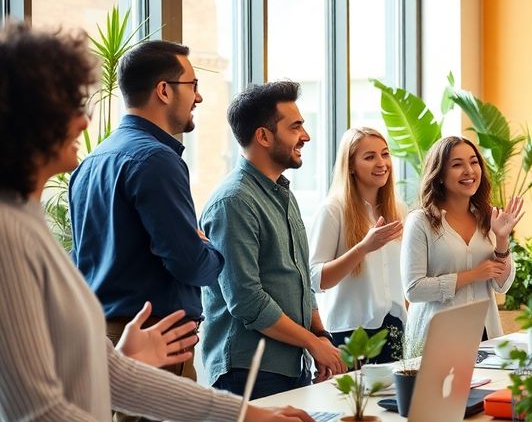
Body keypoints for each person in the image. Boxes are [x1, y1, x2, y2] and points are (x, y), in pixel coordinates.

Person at [0, 22, 312, 421]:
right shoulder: (11, 233)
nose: (83, 122)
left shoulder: (43, 208)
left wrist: (249, 415)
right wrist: (208, 248)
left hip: (140, 345)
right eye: (70, 106)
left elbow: (113, 376)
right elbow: (39, 411)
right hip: (160, 336)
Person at [68, 39, 223, 409]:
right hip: (156, 342)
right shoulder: (156, 159)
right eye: (194, 86)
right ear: (164, 90)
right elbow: (190, 263)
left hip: (106, 339)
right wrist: (212, 250)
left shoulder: (91, 161)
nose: (198, 98)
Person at [200, 81, 344, 400]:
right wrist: (311, 342)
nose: (305, 136)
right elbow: (248, 301)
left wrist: (321, 336)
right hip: (248, 372)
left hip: (291, 366)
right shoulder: (234, 202)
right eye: (295, 127)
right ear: (263, 136)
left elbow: (299, 281)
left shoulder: (283, 194)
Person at [401, 136, 524, 349]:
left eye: (473, 162)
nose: (469, 170)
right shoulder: (420, 221)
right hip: (436, 337)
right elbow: (413, 289)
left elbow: (502, 285)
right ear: (439, 175)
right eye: (457, 164)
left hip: (484, 335)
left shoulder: (488, 217)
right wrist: (472, 276)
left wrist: (502, 239)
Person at [308, 127, 407, 362]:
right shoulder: (333, 210)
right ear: (350, 166)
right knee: (356, 400)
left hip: (394, 328)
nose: (382, 163)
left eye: (385, 154)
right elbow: (315, 279)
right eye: (370, 157)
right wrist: (363, 247)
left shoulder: (398, 210)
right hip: (350, 333)